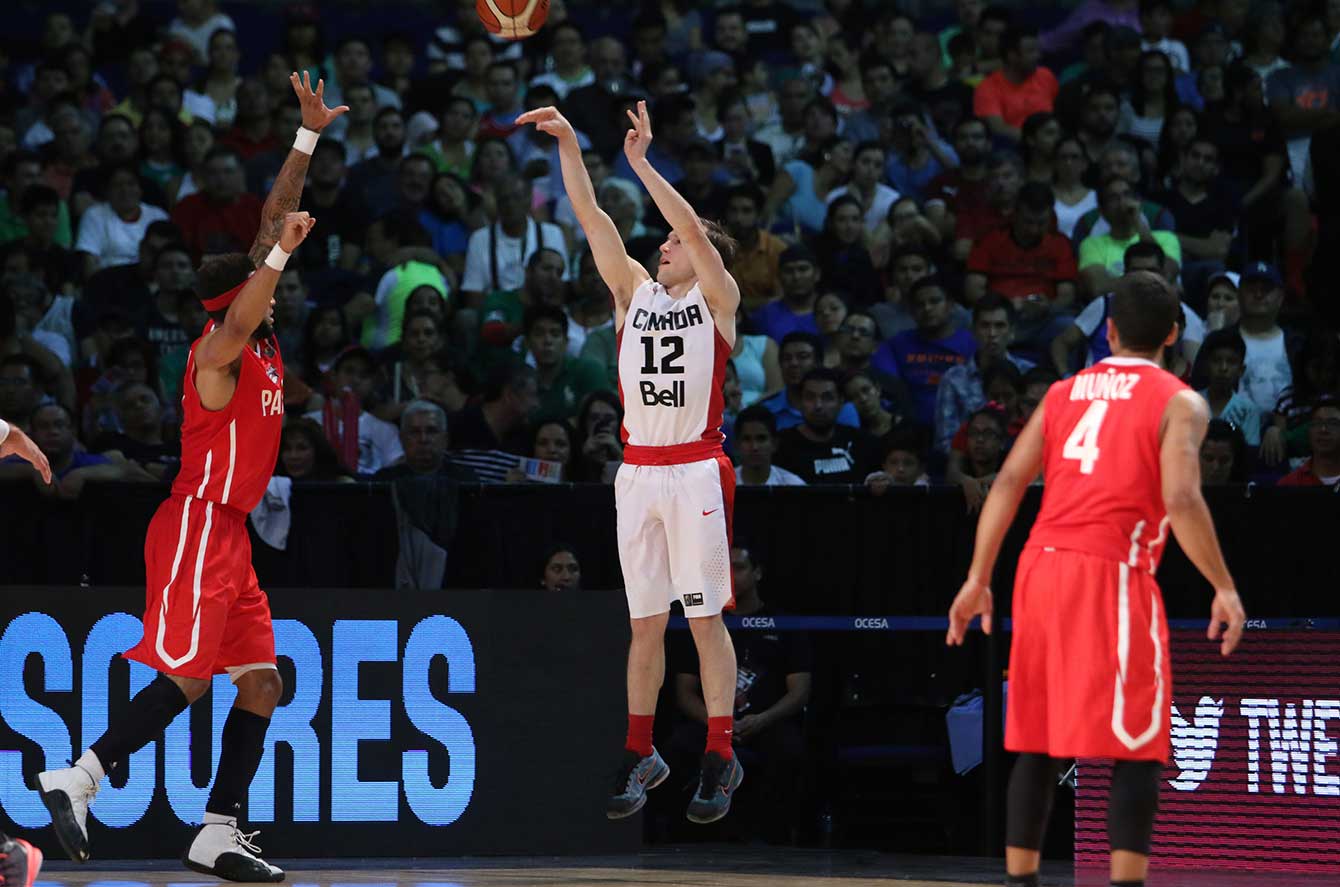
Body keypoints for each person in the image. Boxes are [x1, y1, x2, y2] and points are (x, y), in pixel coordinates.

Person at [33, 71, 343, 882]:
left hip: (232, 535)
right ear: (235, 299)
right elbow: (252, 291)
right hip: (197, 524)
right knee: (191, 676)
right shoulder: (217, 352)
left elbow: (276, 217)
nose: (270, 282)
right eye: (261, 279)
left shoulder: (258, 319)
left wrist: (306, 136)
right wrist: (276, 254)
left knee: (264, 681)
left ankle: (216, 828)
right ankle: (80, 776)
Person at [946, 270, 1246, 887]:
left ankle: (1020, 880)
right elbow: (1183, 499)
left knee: (1037, 738)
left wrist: (978, 577)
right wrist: (1223, 584)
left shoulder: (1063, 391)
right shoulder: (1180, 400)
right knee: (1136, 743)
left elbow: (1006, 483)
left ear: (1107, 330)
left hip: (1039, 564)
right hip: (1111, 569)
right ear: (1173, 334)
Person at [518, 99, 746, 824]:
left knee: (705, 620)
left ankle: (720, 751)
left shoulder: (718, 299)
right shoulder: (633, 294)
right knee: (645, 623)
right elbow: (591, 217)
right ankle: (640, 748)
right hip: (639, 470)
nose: (666, 247)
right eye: (668, 243)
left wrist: (644, 162)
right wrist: (573, 146)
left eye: (680, 241)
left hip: (696, 468)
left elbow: (692, 236)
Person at [733, 404, 806, 486]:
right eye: (747, 439)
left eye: (761, 439)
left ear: (774, 443)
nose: (754, 447)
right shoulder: (721, 486)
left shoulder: (794, 486)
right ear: (737, 444)